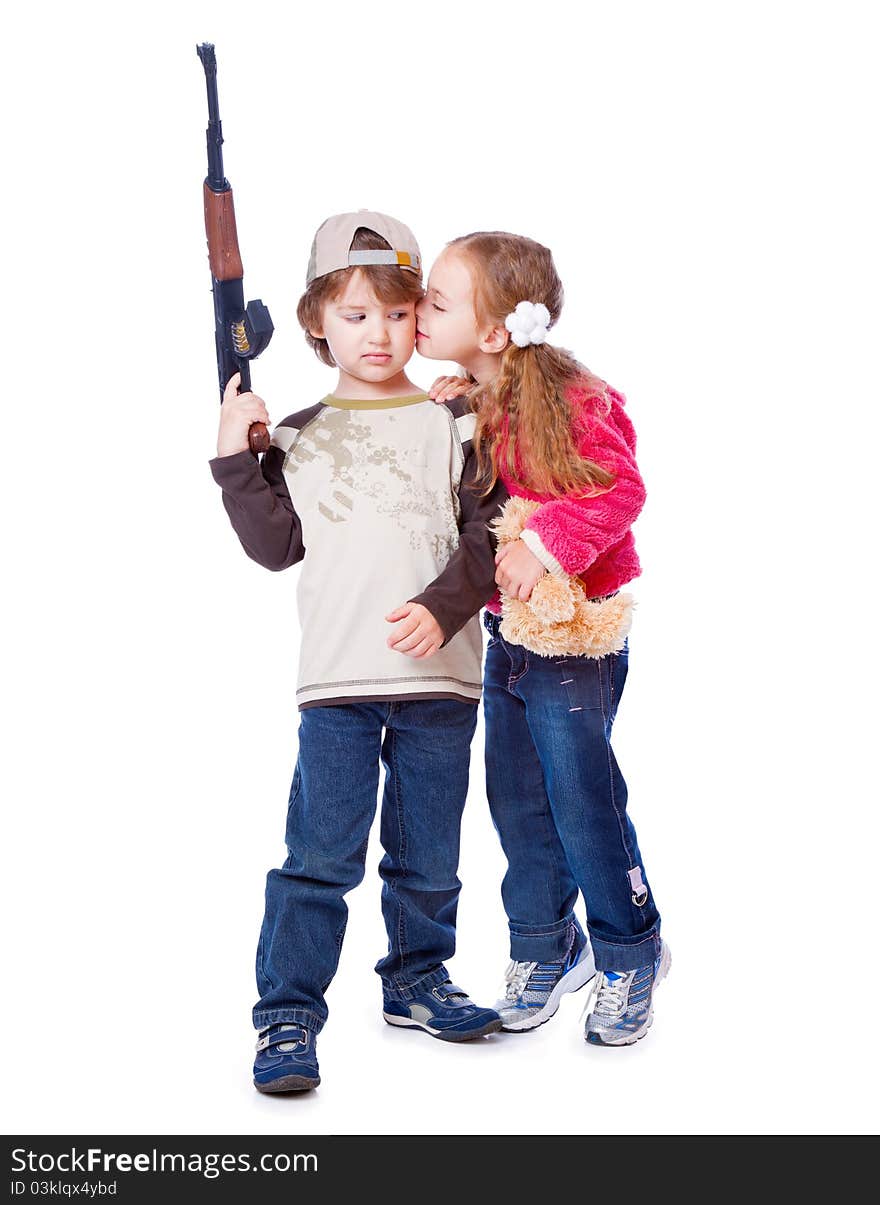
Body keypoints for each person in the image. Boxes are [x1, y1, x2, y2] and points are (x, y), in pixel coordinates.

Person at [209, 212, 508, 1093]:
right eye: (353, 314)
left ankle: (417, 980)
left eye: (395, 311)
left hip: (443, 681)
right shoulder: (297, 434)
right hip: (338, 681)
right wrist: (236, 460)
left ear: (423, 316)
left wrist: (442, 605)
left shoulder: (455, 418)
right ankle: (288, 1015)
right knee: (320, 856)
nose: (377, 333)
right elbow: (274, 548)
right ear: (314, 324)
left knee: (430, 855)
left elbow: (489, 531)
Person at [418, 231, 670, 1045]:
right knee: (517, 797)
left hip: (576, 644)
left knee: (582, 798)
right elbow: (481, 492)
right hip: (512, 634)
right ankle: (545, 944)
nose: (419, 311)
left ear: (494, 331)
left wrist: (547, 542)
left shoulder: (573, 399)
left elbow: (620, 488)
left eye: (436, 302)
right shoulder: (478, 395)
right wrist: (455, 416)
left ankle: (631, 949)